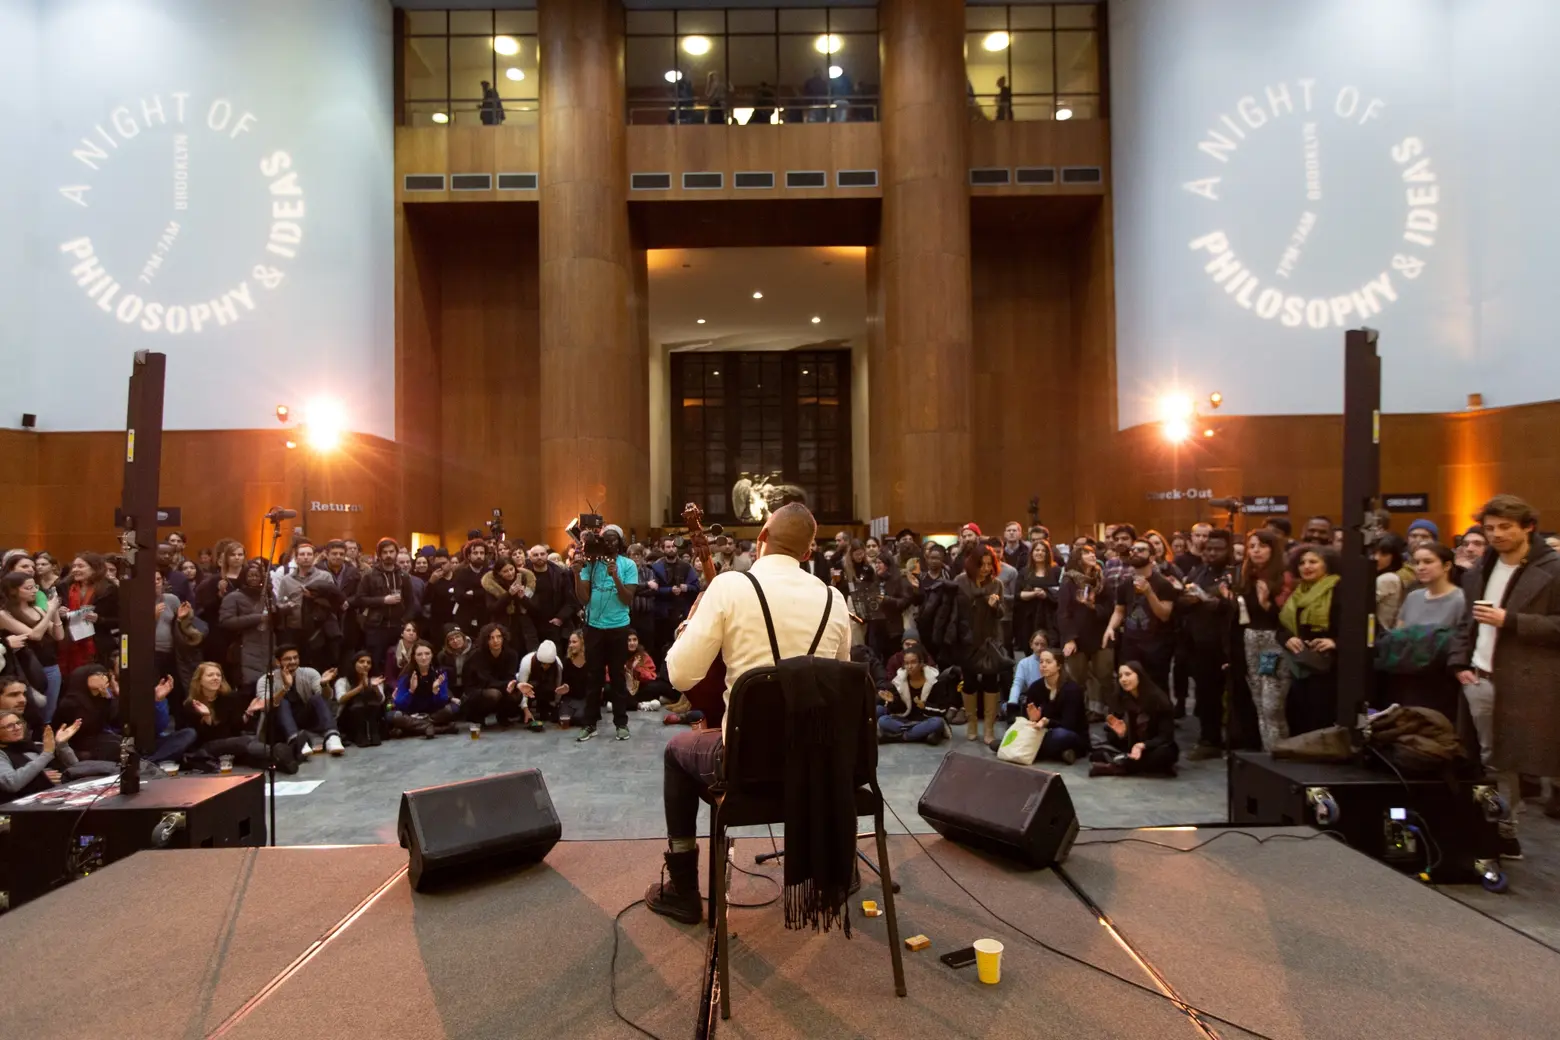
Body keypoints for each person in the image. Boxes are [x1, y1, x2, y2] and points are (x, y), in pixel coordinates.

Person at [649, 503, 851, 924]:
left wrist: (688, 630)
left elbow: (682, 676)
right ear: (809, 550)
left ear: (762, 536)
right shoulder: (833, 598)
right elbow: (842, 685)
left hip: (746, 765)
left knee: (675, 752)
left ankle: (684, 888)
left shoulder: (729, 587)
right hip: (817, 768)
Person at [1450, 494, 1560, 857]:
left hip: (1526, 679)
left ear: (1528, 527)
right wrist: (1459, 664)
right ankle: (1498, 828)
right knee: (1489, 757)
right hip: (1479, 674)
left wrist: (1510, 621)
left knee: (1510, 757)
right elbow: (1466, 621)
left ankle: (1505, 829)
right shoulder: (1483, 568)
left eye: (1505, 527)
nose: (1496, 534)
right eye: (1490, 528)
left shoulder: (1553, 569)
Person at [570, 525, 639, 743]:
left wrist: (615, 576)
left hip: (618, 626)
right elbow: (583, 598)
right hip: (594, 627)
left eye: (613, 540)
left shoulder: (628, 565)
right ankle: (590, 724)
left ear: (620, 542)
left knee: (617, 676)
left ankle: (621, 723)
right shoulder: (591, 565)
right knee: (594, 676)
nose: (609, 543)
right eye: (605, 540)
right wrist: (575, 574)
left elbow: (628, 598)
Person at [1384, 543, 1466, 720]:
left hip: (1441, 682)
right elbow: (1399, 634)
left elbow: (1461, 642)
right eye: (1417, 562)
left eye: (1428, 561)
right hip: (1408, 678)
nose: (1420, 567)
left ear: (1446, 566)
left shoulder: (1461, 599)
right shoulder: (1413, 597)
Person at [1176, 529, 1237, 760]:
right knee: (1206, 695)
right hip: (1198, 644)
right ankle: (1209, 740)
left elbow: (1234, 605)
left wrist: (1211, 600)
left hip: (1226, 644)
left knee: (1231, 696)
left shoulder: (1234, 573)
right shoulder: (1199, 570)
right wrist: (1188, 599)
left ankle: (1234, 741)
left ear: (1228, 550)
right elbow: (1182, 598)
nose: (1211, 553)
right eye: (1208, 548)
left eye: (1217, 549)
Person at [185, 661, 300, 772]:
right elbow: (195, 738)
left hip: (233, 745)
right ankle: (285, 751)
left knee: (253, 759)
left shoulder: (228, 698)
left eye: (218, 675)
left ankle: (286, 763)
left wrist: (248, 713)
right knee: (246, 740)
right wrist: (207, 717)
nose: (216, 678)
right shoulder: (191, 705)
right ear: (199, 680)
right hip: (208, 749)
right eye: (210, 675)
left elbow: (236, 728)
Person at [1239, 528, 1293, 750]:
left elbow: (1288, 618)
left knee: (1273, 707)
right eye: (1251, 546)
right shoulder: (1247, 577)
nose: (1255, 551)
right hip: (1251, 639)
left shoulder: (1284, 577)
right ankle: (1268, 752)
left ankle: (1281, 754)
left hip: (1274, 640)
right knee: (1259, 705)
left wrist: (1266, 604)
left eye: (1261, 546)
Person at [1280, 546, 1341, 737]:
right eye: (1302, 563)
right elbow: (1281, 626)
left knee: (1320, 716)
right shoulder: (1298, 591)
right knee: (1296, 714)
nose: (1306, 566)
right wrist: (1287, 638)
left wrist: (1335, 642)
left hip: (1330, 665)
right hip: (1301, 663)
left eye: (1313, 562)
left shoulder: (1339, 589)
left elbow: (1355, 626)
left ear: (1327, 565)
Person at [1103, 537, 1177, 693]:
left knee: (1156, 686)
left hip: (1156, 644)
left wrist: (1149, 592)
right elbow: (1119, 610)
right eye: (1133, 550)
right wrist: (1110, 628)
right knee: (1130, 687)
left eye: (1141, 550)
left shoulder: (1163, 584)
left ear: (1151, 557)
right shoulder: (1125, 584)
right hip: (1131, 643)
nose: (1135, 552)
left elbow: (1164, 615)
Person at [955, 548, 1007, 748]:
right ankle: (971, 724)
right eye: (982, 564)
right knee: (968, 682)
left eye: (989, 564)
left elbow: (1002, 613)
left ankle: (989, 729)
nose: (986, 568)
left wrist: (995, 606)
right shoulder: (961, 581)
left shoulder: (997, 584)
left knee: (990, 682)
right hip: (967, 640)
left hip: (989, 640)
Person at [1089, 662, 1179, 777]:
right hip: (1130, 748)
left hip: (1154, 747)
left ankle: (1119, 767)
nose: (1124, 679)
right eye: (1120, 676)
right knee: (1096, 754)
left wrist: (1143, 745)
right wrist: (1122, 734)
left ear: (1139, 676)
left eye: (1128, 674)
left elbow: (1166, 736)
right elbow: (1116, 739)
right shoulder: (1120, 699)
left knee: (1163, 754)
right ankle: (1129, 765)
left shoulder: (1158, 699)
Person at [257, 645, 344, 756]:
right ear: (278, 662)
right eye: (288, 659)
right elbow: (265, 706)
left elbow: (326, 698)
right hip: (278, 725)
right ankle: (296, 741)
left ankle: (332, 737)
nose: (293, 661)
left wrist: (324, 684)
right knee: (282, 702)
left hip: (304, 718)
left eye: (295, 658)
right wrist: (285, 688)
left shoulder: (309, 673)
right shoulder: (266, 679)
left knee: (316, 698)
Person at [0, 572, 63, 725]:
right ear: (14, 591)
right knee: (32, 712)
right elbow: (35, 635)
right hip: (27, 669)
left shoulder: (37, 609)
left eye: (35, 586)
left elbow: (59, 636)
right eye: (28, 588)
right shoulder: (4, 614)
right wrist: (49, 611)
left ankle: (48, 741)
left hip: (51, 666)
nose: (34, 590)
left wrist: (54, 613)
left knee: (49, 712)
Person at [1058, 543, 1113, 718]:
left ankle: (1104, 712)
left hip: (1099, 634)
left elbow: (1110, 609)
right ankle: (1077, 712)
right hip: (1077, 636)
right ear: (1077, 558)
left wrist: (1092, 605)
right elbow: (1063, 612)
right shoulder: (1069, 581)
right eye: (1086, 553)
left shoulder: (1102, 580)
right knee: (1077, 678)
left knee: (1104, 674)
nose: (1092, 556)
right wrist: (1069, 638)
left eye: (1092, 553)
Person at [275, 541, 347, 674]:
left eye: (309, 554)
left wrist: (313, 597)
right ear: (296, 558)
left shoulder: (324, 576)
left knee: (318, 665)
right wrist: (286, 607)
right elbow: (279, 602)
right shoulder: (286, 580)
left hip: (318, 629)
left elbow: (335, 602)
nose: (306, 557)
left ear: (314, 557)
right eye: (302, 554)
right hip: (295, 628)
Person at [354, 538, 414, 678]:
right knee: (375, 663)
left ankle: (395, 691)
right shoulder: (369, 575)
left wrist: (406, 621)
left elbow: (411, 602)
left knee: (398, 662)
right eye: (385, 552)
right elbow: (359, 599)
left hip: (398, 626)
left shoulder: (403, 576)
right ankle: (376, 694)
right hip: (376, 627)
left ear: (396, 553)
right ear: (379, 555)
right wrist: (383, 600)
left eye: (391, 552)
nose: (388, 555)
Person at [1022, 648, 1089, 764]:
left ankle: (1024, 749)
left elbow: (1069, 724)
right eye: (1041, 662)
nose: (1043, 665)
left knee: (1059, 735)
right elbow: (1026, 716)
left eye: (1048, 662)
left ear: (1059, 666)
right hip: (1041, 731)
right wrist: (1033, 719)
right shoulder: (1035, 687)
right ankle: (1060, 753)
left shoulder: (1072, 689)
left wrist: (1047, 722)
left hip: (1070, 733)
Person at [0, 710, 82, 802]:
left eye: (19, 723)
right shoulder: (2, 754)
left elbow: (76, 767)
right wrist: (42, 773)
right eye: (9, 726)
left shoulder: (37, 745)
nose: (17, 727)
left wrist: (62, 745)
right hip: (27, 806)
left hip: (65, 793)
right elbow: (11, 783)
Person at [219, 558, 275, 686]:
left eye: (257, 575)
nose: (254, 578)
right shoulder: (233, 597)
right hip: (243, 646)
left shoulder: (268, 595)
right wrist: (257, 618)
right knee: (249, 684)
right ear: (244, 577)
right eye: (250, 575)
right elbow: (226, 621)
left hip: (267, 645)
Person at [58, 553, 116, 676]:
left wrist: (99, 619)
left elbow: (120, 619)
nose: (75, 570)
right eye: (74, 566)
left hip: (97, 644)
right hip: (68, 641)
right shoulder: (63, 587)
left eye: (80, 566)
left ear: (95, 568)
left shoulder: (109, 590)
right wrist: (59, 613)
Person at [878, 644, 948, 744]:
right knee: (883, 720)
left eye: (913, 662)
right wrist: (893, 701)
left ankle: (898, 737)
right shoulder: (899, 681)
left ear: (921, 663)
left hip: (926, 720)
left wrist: (925, 706)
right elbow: (899, 710)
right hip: (905, 720)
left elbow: (943, 710)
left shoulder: (934, 681)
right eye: (906, 663)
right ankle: (919, 735)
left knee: (937, 722)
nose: (909, 667)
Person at [464, 622, 529, 728]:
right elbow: (486, 681)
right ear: (486, 640)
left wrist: (514, 685)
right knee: (494, 694)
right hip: (479, 690)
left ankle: (503, 716)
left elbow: (510, 677)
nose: (496, 641)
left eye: (499, 637)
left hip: (500, 687)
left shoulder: (511, 654)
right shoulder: (477, 655)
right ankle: (477, 716)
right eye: (491, 638)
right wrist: (509, 685)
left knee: (516, 694)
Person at [390, 640, 455, 738]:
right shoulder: (406, 674)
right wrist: (411, 691)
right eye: (419, 654)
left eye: (427, 653)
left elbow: (442, 702)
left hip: (432, 713)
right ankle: (435, 728)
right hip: (411, 713)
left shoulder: (440, 673)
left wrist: (435, 691)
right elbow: (399, 704)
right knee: (393, 715)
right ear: (414, 657)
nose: (424, 658)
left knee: (453, 708)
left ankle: (413, 729)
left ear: (432, 655)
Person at [650, 536, 700, 664]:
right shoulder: (656, 567)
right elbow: (653, 590)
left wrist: (686, 587)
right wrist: (669, 590)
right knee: (662, 645)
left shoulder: (686, 567)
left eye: (673, 547)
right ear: (663, 549)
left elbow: (696, 587)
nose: (671, 549)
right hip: (662, 614)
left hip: (681, 612)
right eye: (668, 547)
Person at [1012, 540, 1060, 655]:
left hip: (1051, 618)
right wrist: (1034, 594)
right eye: (1037, 550)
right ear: (1032, 553)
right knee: (1030, 651)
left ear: (1048, 553)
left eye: (1043, 550)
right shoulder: (1024, 572)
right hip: (1029, 618)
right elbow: (1018, 595)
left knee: (1050, 651)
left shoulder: (1056, 571)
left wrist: (1046, 594)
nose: (1040, 553)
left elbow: (1060, 593)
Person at [333, 651, 386, 747]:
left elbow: (381, 700)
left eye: (368, 662)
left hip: (371, 717)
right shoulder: (343, 681)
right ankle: (360, 735)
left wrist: (374, 687)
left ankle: (374, 734)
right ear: (354, 664)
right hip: (348, 718)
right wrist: (360, 687)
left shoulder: (375, 679)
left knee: (372, 700)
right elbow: (341, 699)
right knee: (358, 702)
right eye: (361, 662)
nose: (365, 665)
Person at [517, 638, 564, 726]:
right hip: (529, 688)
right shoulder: (527, 662)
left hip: (546, 689)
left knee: (548, 687)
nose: (545, 666)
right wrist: (525, 709)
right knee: (531, 685)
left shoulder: (558, 665)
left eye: (548, 664)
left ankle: (544, 709)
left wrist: (555, 704)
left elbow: (559, 687)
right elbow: (522, 688)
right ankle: (523, 712)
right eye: (542, 663)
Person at [626, 629, 674, 710]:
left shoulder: (643, 655)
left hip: (641, 687)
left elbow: (651, 676)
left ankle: (629, 703)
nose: (632, 643)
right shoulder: (618, 655)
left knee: (656, 686)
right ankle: (640, 704)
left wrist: (637, 669)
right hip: (624, 687)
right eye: (629, 640)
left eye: (634, 640)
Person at [1374, 533, 1408, 631]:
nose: (1377, 558)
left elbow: (1361, 605)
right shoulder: (1388, 576)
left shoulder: (1388, 578)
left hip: (1380, 635)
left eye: (1383, 554)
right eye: (1375, 553)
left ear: (1395, 557)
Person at [558, 628, 588, 726]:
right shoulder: (567, 661)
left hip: (585, 698)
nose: (571, 645)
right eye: (570, 642)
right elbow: (565, 681)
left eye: (574, 642)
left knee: (579, 719)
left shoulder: (590, 660)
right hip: (570, 698)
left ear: (582, 643)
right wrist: (565, 686)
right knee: (563, 718)